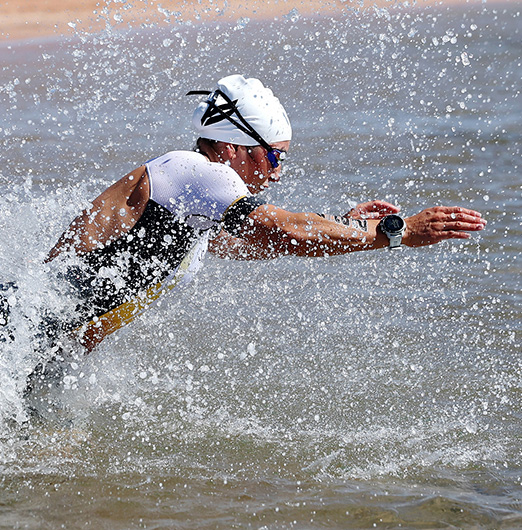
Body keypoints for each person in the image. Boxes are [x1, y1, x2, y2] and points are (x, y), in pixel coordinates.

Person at [38, 74, 485, 354]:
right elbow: (280, 227)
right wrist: (396, 232)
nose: (275, 174)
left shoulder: (191, 204)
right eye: (273, 158)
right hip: (26, 333)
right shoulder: (197, 170)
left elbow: (264, 242)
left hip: (43, 346)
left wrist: (346, 225)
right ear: (231, 146)